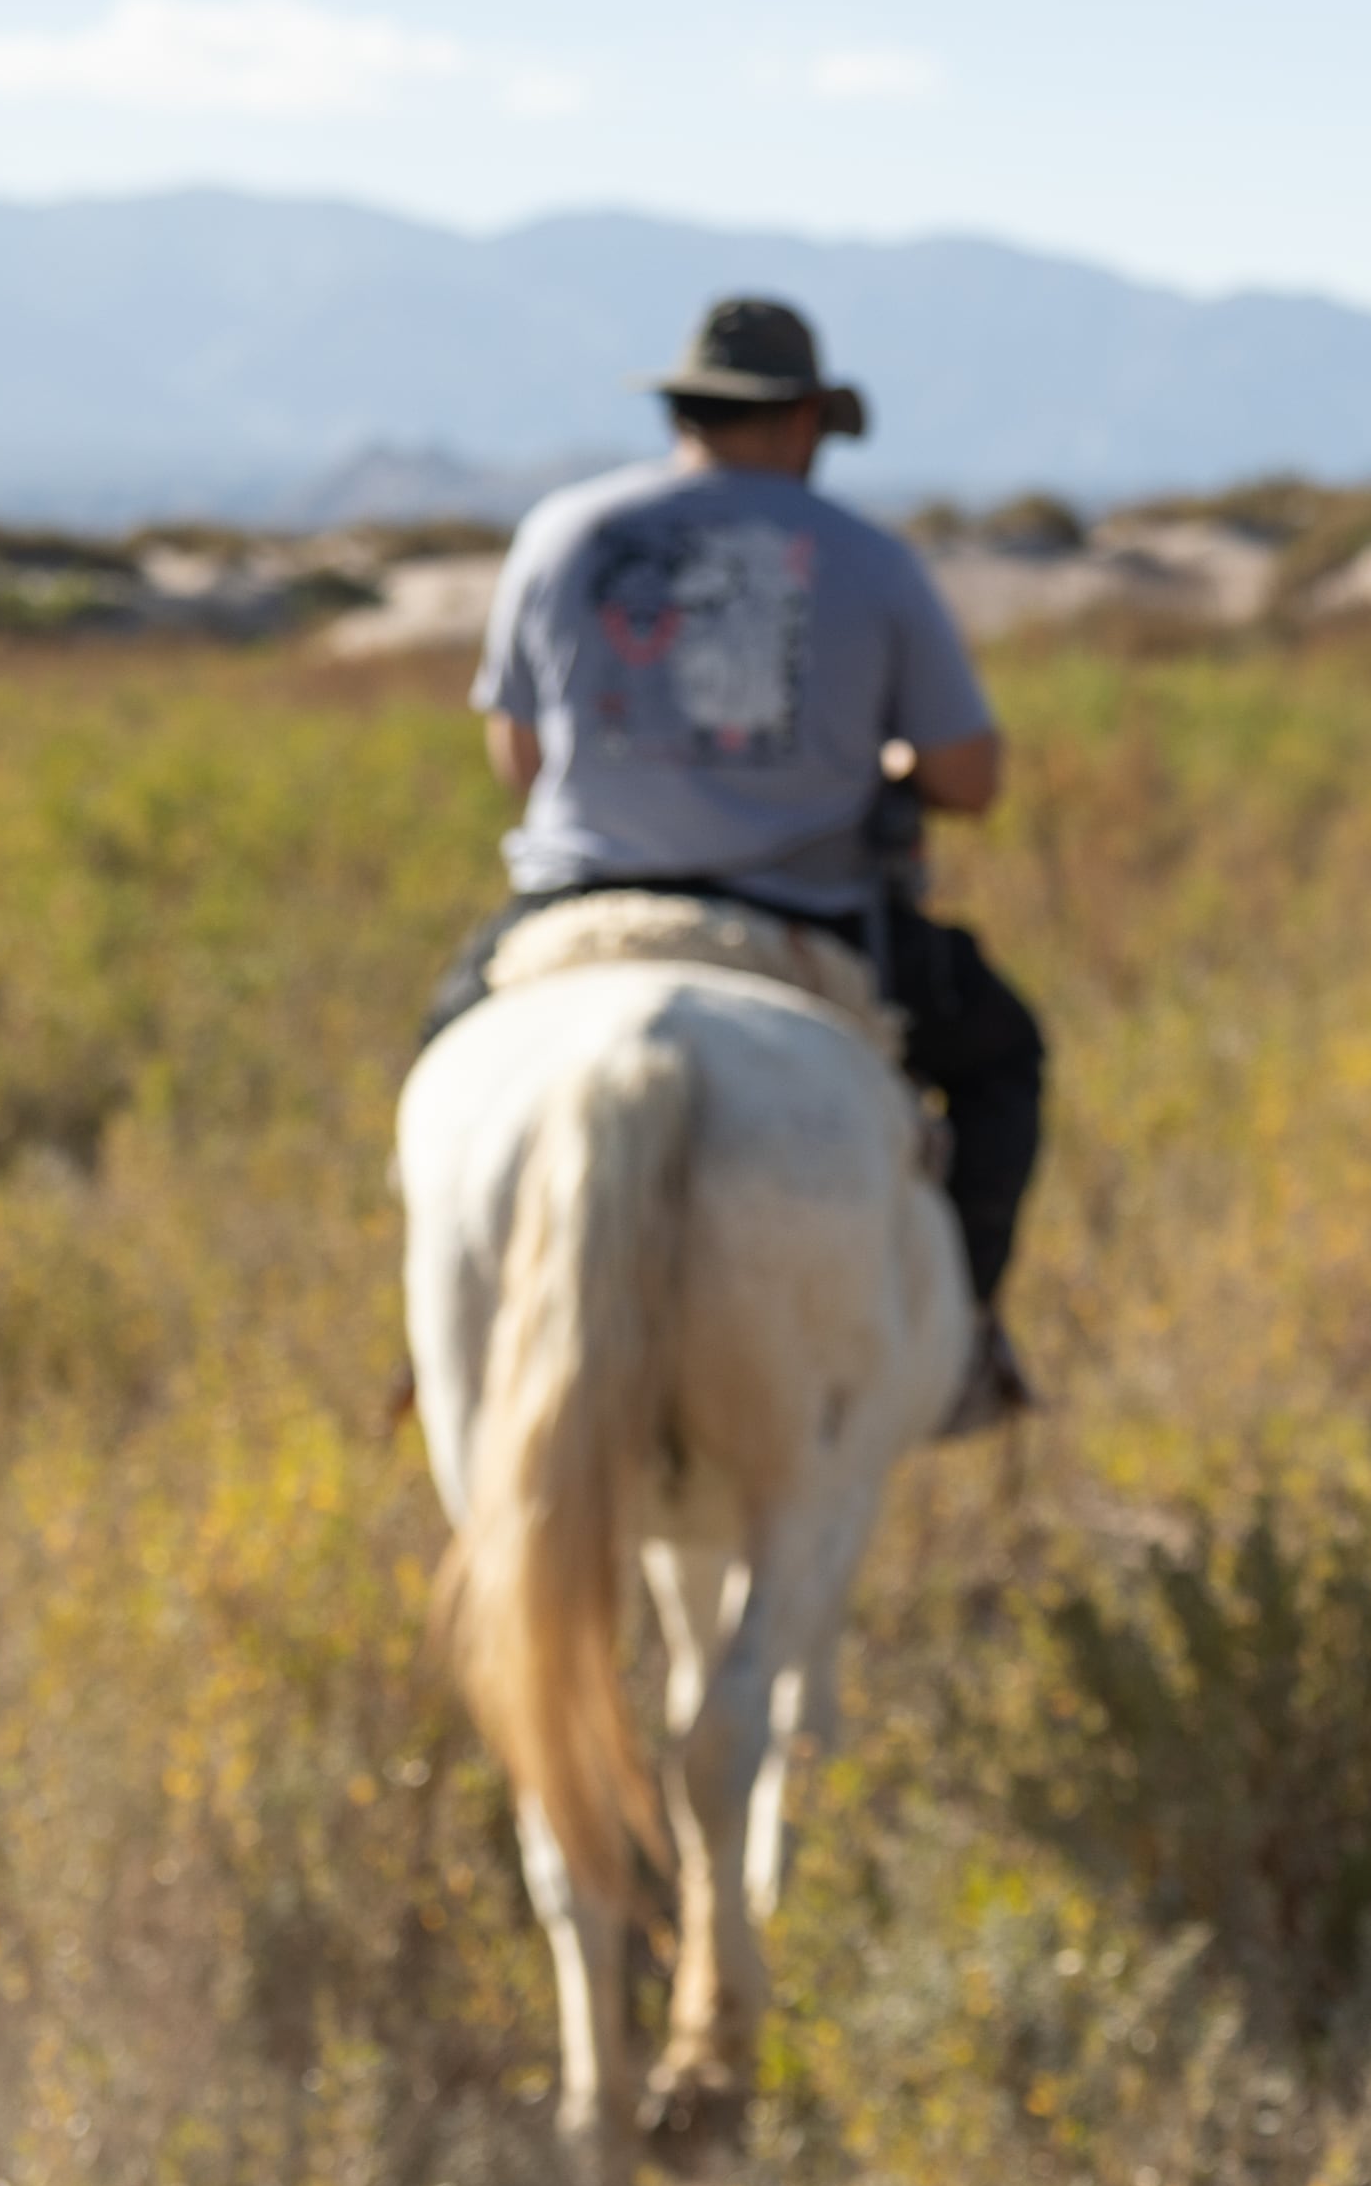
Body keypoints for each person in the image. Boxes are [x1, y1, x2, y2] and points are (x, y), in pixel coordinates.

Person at [419, 294, 1045, 1421]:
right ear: (807, 420)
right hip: (809, 910)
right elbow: (970, 780)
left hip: (577, 906)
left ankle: (433, 1340)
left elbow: (518, 757)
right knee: (1002, 1063)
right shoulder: (866, 558)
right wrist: (875, 768)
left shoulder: (563, 535)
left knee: (443, 1066)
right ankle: (963, 1339)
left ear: (682, 410)